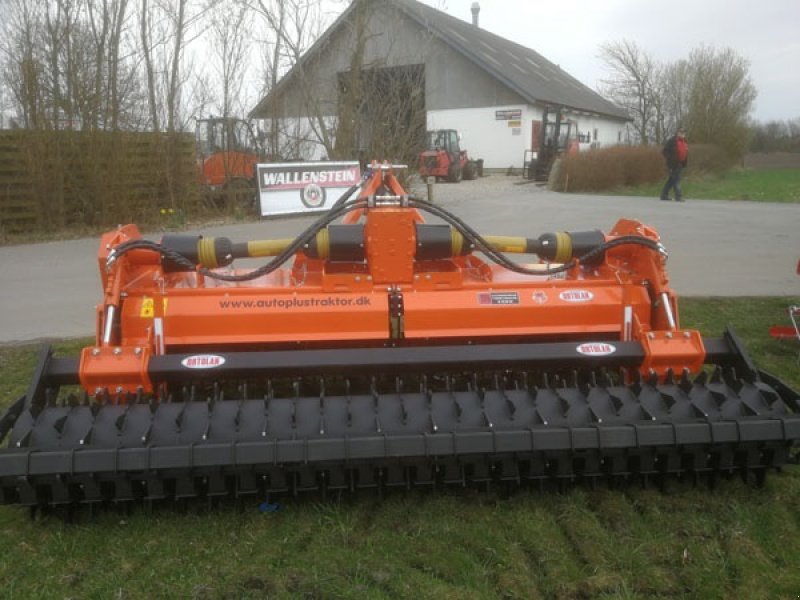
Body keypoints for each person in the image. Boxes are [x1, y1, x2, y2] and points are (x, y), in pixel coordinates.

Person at [660, 126, 688, 202]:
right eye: (681, 132)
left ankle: (664, 195)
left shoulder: (684, 141)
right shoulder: (672, 140)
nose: (682, 133)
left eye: (684, 132)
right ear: (677, 133)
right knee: (676, 180)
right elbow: (664, 151)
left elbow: (684, 152)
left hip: (680, 164)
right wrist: (671, 159)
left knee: (671, 180)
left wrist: (684, 163)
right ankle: (678, 196)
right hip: (673, 164)